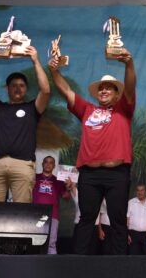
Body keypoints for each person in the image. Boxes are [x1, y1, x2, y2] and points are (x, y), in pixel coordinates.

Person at [49, 49, 135, 255]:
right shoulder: (87, 109)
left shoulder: (123, 109)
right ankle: (79, 263)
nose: (104, 91)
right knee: (86, 219)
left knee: (117, 220)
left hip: (117, 174)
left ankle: (120, 266)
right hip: (89, 175)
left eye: (109, 88)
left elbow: (131, 87)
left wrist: (129, 65)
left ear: (117, 94)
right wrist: (54, 72)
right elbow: (66, 90)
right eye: (101, 88)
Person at [0, 46, 50, 203]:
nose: (18, 88)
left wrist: (35, 61)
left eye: (21, 85)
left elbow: (46, 91)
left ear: (26, 89)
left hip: (22, 165)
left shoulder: (32, 108)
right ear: (7, 88)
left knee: (21, 215)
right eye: (14, 85)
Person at [32, 156, 70, 255]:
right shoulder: (34, 177)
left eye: (51, 162)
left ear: (54, 166)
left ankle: (52, 265)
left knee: (51, 243)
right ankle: (33, 264)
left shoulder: (58, 180)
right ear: (42, 164)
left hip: (53, 215)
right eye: (46, 162)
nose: (48, 164)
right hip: (36, 214)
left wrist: (68, 186)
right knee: (35, 241)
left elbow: (66, 196)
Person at [127, 184, 146, 255]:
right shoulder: (131, 202)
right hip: (133, 234)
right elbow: (127, 218)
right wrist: (127, 234)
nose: (140, 192)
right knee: (134, 257)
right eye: (138, 190)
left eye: (142, 190)